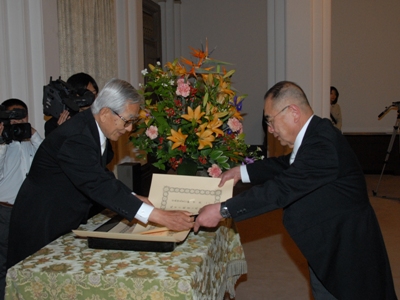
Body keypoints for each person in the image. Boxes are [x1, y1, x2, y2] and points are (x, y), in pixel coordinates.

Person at [194, 81, 397, 299]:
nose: (270, 130)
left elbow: (281, 189)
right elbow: (287, 165)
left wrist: (223, 210)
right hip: (330, 243)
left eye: (270, 121)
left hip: (348, 252)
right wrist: (242, 172)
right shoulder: (316, 133)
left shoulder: (322, 145)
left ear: (293, 112)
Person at [7, 78, 194, 269]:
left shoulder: (92, 128)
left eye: (133, 122)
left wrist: (133, 197)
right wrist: (159, 216)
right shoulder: (76, 137)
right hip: (41, 222)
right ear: (105, 113)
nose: (129, 128)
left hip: (63, 216)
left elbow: (99, 174)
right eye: (127, 121)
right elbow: (97, 184)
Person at [0, 99, 43, 300]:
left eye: (22, 115)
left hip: (29, 210)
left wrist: (34, 135)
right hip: (5, 212)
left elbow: (48, 161)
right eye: (13, 116)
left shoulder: (29, 144)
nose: (18, 120)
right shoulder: (3, 147)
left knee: (28, 260)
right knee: (4, 263)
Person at [44, 72, 99, 137]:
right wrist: (61, 131)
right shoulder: (52, 124)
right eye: (87, 95)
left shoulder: (98, 118)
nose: (92, 99)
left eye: (94, 93)